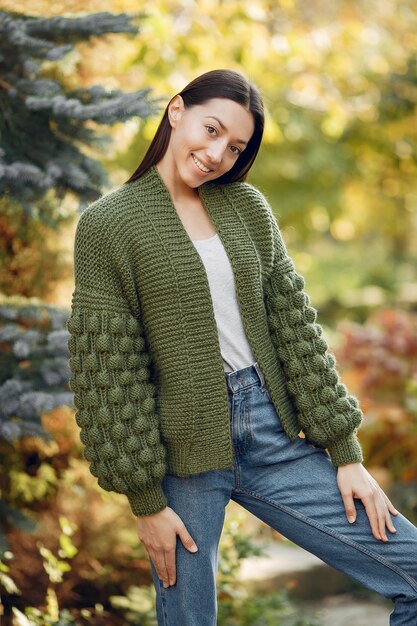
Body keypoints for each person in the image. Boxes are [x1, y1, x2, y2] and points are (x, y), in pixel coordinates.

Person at [66, 68, 417, 625]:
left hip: (271, 433)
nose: (216, 154)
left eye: (234, 147)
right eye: (210, 129)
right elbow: (108, 372)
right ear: (176, 110)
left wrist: (346, 455)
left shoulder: (247, 208)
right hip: (183, 449)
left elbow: (296, 330)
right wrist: (145, 502)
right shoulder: (109, 225)